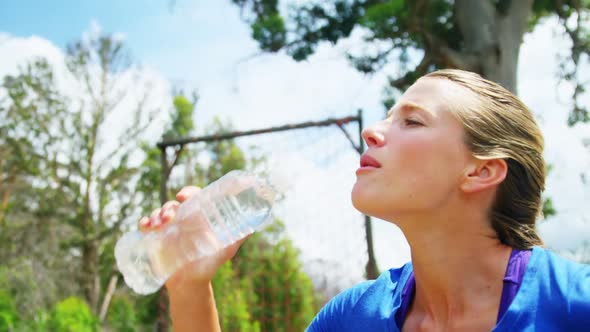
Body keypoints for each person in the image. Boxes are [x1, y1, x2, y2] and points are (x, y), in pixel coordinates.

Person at [140, 69, 590, 331]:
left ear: (481, 171)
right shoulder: (351, 318)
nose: (372, 131)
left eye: (412, 122)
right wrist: (191, 287)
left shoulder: (573, 305)